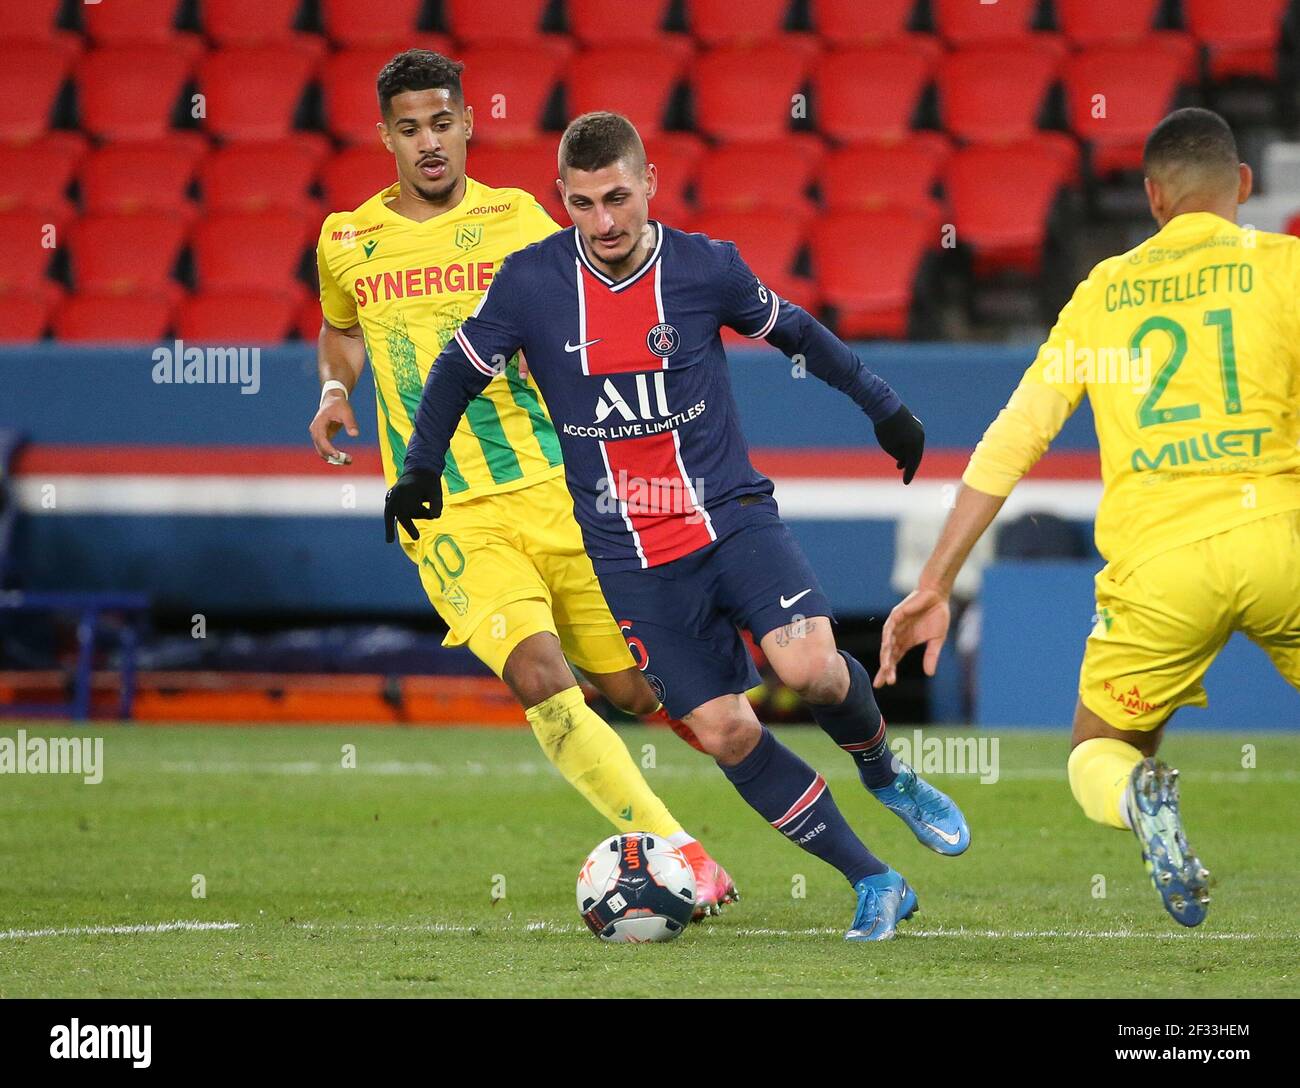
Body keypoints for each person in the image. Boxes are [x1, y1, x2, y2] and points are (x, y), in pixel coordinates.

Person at [386, 111, 970, 941]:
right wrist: (419, 467)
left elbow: (797, 330)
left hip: (730, 516)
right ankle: (873, 879)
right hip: (630, 557)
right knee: (725, 729)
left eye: (618, 198)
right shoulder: (528, 284)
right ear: (563, 201)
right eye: (583, 205)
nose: (605, 222)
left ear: (650, 183)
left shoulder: (704, 268)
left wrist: (884, 407)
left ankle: (886, 773)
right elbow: (456, 370)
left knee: (809, 668)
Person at [311, 53, 735, 916]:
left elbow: (577, 323)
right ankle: (680, 851)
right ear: (384, 135)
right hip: (449, 509)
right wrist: (332, 388)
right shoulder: (346, 238)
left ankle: (796, 770)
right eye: (409, 127)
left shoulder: (516, 221)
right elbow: (340, 329)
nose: (428, 142)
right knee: (541, 674)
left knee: (639, 688)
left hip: (555, 489)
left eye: (442, 122)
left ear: (469, 122)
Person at [875, 108, 1300, 927]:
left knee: (1096, 752)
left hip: (1160, 564)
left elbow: (1009, 444)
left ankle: (1138, 797)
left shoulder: (1104, 293)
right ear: (1243, 184)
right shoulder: (1284, 267)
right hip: (1280, 537)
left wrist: (935, 583)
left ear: (1151, 198)